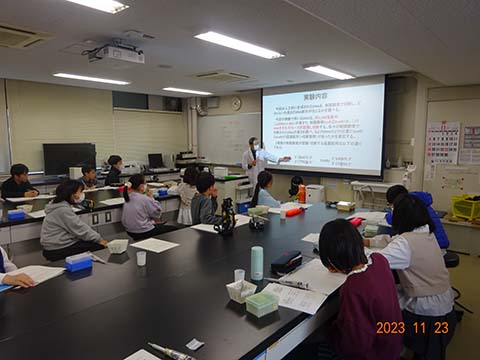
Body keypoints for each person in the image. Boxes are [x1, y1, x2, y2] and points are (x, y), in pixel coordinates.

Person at [365, 195, 457, 360]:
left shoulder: (405, 244)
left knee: (375, 313)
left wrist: (352, 250)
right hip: (444, 311)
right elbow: (392, 241)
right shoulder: (426, 233)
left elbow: (373, 262)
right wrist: (368, 242)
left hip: (427, 320)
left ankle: (390, 348)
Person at [316, 219, 402, 360]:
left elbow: (355, 345)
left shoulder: (353, 287)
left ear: (331, 259)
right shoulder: (379, 259)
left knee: (313, 344)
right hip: (392, 345)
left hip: (374, 353)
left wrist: (329, 334)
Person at [41, 180, 108, 261]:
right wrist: (99, 240)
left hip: (57, 244)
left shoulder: (56, 205)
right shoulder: (63, 210)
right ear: (72, 195)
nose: (81, 195)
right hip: (58, 248)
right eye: (80, 192)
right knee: (99, 247)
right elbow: (80, 229)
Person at [385, 185, 449, 249]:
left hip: (434, 246)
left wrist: (388, 214)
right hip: (438, 242)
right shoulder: (419, 201)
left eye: (392, 204)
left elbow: (392, 219)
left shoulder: (409, 206)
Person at [122, 174, 177, 240]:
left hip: (129, 230)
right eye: (145, 183)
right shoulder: (144, 199)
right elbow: (157, 213)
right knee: (175, 229)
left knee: (158, 225)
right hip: (142, 231)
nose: (146, 185)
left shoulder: (128, 197)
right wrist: (151, 198)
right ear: (141, 186)